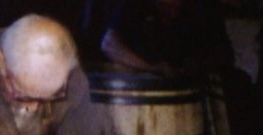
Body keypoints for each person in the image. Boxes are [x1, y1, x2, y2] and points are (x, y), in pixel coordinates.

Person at [100, 0, 234, 78]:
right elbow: (109, 44)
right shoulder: (133, 4)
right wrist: (151, 68)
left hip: (194, 93)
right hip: (138, 90)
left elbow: (225, 55)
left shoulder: (204, 7)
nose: (172, 9)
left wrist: (201, 65)